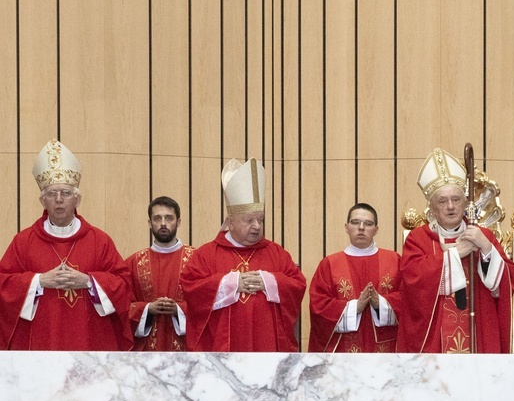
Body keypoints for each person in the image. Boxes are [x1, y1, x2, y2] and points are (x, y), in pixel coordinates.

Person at [0, 139, 133, 350]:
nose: (59, 199)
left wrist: (89, 281)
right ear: (43, 201)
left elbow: (124, 286)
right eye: (52, 194)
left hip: (89, 342)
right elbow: (3, 284)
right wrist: (39, 281)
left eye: (66, 193)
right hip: (39, 345)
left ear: (77, 200)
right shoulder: (24, 242)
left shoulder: (99, 241)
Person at [395, 148, 514, 353]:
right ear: (432, 208)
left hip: (479, 335)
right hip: (435, 343)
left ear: (464, 204)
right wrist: (455, 254)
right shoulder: (419, 239)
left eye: (456, 200)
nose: (450, 206)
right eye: (442, 201)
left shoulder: (482, 235)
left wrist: (486, 249)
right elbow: (412, 283)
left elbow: (509, 282)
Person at [180, 158, 306, 352]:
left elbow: (297, 285)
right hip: (221, 352)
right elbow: (191, 288)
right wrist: (231, 283)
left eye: (261, 219)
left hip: (268, 348)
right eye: (249, 220)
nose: (257, 226)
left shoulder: (276, 253)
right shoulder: (206, 254)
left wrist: (269, 281)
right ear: (230, 222)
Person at [308, 203, 402, 352]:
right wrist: (354, 308)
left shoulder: (394, 260)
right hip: (343, 355)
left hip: (386, 352)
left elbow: (410, 300)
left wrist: (382, 304)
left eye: (368, 223)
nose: (361, 228)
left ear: (376, 229)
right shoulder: (330, 264)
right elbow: (318, 306)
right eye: (355, 222)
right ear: (346, 227)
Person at [125, 196, 194, 351]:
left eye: (169, 218)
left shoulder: (197, 260)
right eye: (157, 218)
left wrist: (178, 309)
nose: (163, 223)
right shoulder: (133, 263)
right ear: (150, 223)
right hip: (145, 354)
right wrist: (147, 308)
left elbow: (207, 305)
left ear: (179, 222)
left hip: (187, 353)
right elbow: (121, 307)